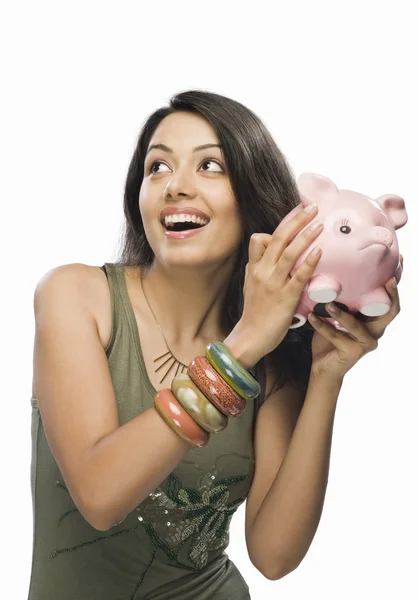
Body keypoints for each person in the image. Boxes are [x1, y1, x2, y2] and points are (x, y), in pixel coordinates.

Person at [28, 90, 401, 599]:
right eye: (157, 167)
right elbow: (99, 494)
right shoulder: (77, 296)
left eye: (209, 166)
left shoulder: (273, 354)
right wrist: (242, 344)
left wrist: (326, 376)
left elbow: (273, 555)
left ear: (251, 195)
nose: (176, 186)